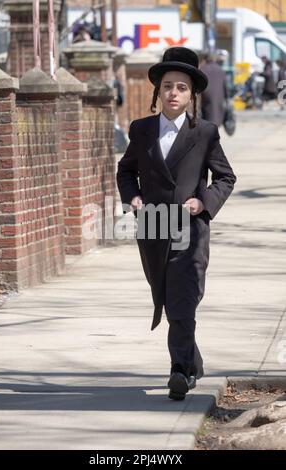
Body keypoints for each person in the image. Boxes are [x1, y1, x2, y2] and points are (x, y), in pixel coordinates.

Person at [116, 47, 237, 401]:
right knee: (170, 302)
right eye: (168, 86)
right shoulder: (141, 130)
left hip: (190, 229)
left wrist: (205, 202)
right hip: (153, 228)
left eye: (181, 87)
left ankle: (179, 371)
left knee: (184, 300)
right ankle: (192, 361)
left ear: (191, 95)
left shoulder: (206, 133)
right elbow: (126, 170)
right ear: (158, 92)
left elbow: (225, 177)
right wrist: (132, 197)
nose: (173, 93)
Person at [199, 52, 228, 126]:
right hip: (219, 96)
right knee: (217, 114)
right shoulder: (220, 69)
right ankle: (214, 130)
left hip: (206, 95)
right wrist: (227, 97)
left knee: (208, 115)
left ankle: (209, 132)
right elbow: (225, 85)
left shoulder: (203, 69)